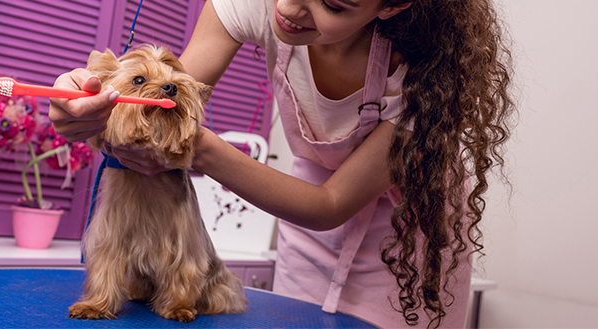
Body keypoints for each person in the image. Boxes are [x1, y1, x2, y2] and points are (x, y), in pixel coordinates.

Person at [49, 0, 515, 327]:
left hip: (408, 251)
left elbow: (331, 203)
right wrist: (92, 115)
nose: (290, 9)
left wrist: (200, 149)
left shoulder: (429, 74)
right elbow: (165, 104)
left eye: (332, 4)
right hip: (302, 225)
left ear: (390, 5)